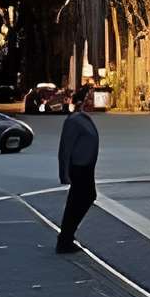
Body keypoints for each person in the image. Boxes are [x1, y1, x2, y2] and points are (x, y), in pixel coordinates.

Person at [55, 90, 99, 253]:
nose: (91, 103)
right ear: (80, 102)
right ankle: (65, 238)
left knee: (84, 198)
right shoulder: (74, 121)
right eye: (89, 99)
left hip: (86, 167)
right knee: (79, 200)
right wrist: (64, 173)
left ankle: (67, 236)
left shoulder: (84, 119)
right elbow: (65, 148)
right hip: (78, 167)